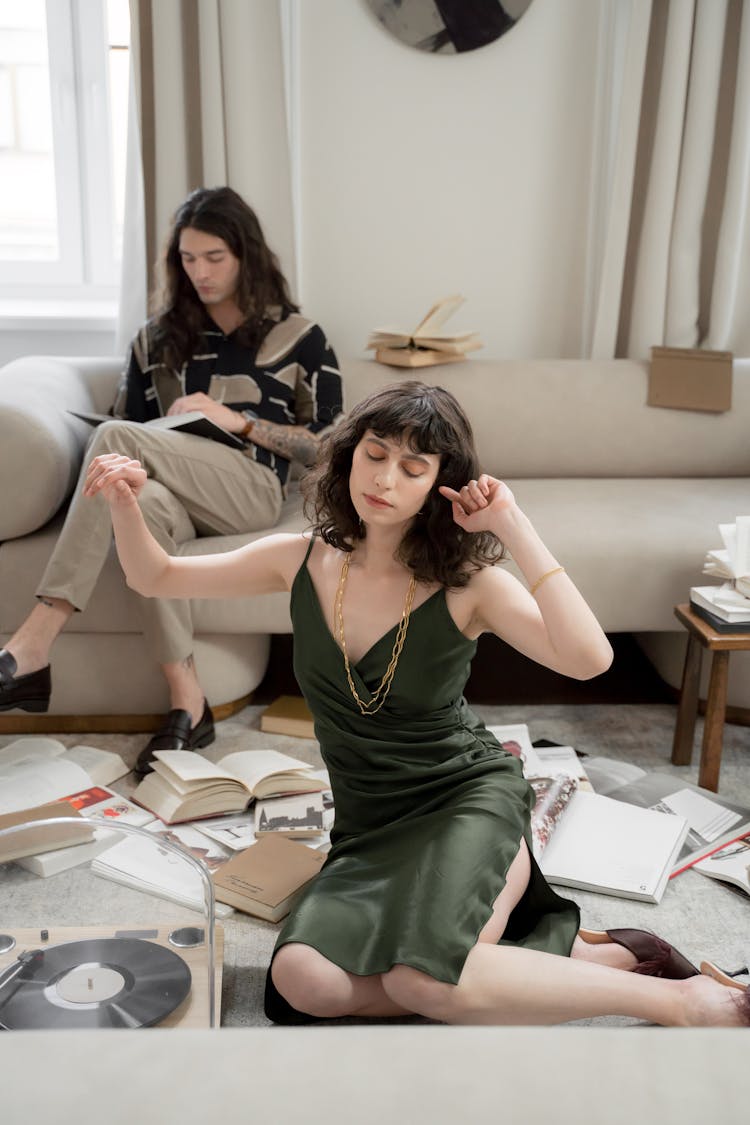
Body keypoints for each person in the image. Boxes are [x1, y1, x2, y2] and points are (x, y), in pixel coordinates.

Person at [82, 380, 749, 1028]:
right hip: (370, 825)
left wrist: (513, 526)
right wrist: (123, 503)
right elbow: (157, 575)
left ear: (439, 482)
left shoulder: (470, 584)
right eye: (374, 455)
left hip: (465, 800)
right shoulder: (301, 559)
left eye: (413, 466)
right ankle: (550, 963)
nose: (385, 480)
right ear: (350, 454)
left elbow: (590, 659)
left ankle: (681, 1002)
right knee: (300, 980)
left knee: (420, 976)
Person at [0, 187, 343, 776]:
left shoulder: (300, 337)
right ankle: (188, 702)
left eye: (215, 257)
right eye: (188, 258)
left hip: (248, 491)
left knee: (115, 442)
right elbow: (132, 427)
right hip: (172, 492)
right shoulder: (155, 338)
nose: (200, 272)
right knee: (136, 495)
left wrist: (239, 422)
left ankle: (33, 644)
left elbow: (333, 447)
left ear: (245, 255)